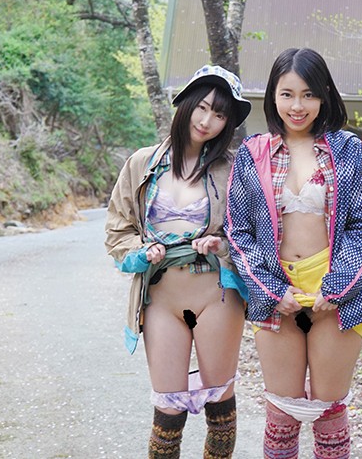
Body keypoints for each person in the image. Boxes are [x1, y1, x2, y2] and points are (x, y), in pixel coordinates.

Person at [225, 48, 362, 458]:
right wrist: (272, 290)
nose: (298, 106)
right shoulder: (253, 152)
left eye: (309, 94)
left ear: (325, 94)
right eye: (287, 94)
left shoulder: (347, 149)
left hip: (337, 291)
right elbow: (239, 233)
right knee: (282, 411)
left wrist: (338, 286)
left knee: (329, 410)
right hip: (275, 290)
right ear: (273, 97)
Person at [105, 65, 251, 459]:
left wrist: (221, 245)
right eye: (202, 107)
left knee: (220, 404)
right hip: (160, 297)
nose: (207, 120)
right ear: (185, 104)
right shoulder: (142, 163)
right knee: (167, 410)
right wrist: (141, 252)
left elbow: (255, 234)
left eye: (219, 114)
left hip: (217, 294)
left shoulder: (234, 170)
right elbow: (117, 230)